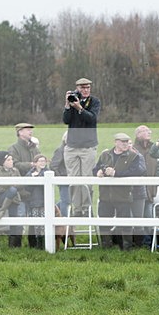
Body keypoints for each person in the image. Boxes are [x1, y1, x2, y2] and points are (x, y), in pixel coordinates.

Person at [94, 133, 146, 250]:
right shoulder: (105, 154)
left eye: (127, 142)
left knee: (125, 224)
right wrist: (98, 172)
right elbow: (96, 168)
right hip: (105, 195)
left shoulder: (133, 156)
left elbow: (136, 171)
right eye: (122, 142)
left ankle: (127, 248)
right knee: (104, 221)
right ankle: (106, 247)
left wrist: (116, 173)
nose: (125, 144)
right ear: (115, 142)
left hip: (123, 196)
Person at [63, 78, 101, 215]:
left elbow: (92, 119)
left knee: (86, 178)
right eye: (82, 88)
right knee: (73, 179)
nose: (85, 90)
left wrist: (79, 108)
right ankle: (77, 208)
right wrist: (67, 105)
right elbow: (66, 120)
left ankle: (86, 208)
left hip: (87, 146)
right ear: (77, 88)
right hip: (72, 145)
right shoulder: (72, 100)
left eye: (87, 88)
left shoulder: (94, 101)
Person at [6, 123, 40, 247]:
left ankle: (34, 245)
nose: (31, 131)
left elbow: (40, 162)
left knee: (34, 217)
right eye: (27, 129)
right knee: (19, 217)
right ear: (20, 132)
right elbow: (14, 165)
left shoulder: (34, 149)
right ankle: (15, 246)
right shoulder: (13, 148)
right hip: (20, 189)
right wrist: (31, 165)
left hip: (34, 190)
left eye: (31, 129)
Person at [0, 152, 23, 248]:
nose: (11, 161)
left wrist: (12, 187)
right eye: (8, 160)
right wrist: (8, 186)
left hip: (14, 199)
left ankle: (13, 245)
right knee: (12, 189)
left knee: (14, 219)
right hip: (2, 198)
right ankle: (3, 209)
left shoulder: (15, 171)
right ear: (2, 162)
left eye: (11, 159)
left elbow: (20, 185)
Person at [25, 154, 49, 249]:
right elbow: (27, 187)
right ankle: (38, 244)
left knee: (44, 225)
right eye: (40, 161)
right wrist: (32, 177)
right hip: (33, 203)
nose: (43, 163)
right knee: (36, 225)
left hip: (44, 202)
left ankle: (45, 244)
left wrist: (38, 177)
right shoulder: (30, 173)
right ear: (35, 163)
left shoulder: (47, 172)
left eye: (44, 161)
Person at [50, 132, 71, 217]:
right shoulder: (60, 150)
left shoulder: (70, 150)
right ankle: (64, 220)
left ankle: (52, 210)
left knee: (67, 200)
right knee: (66, 201)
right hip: (64, 180)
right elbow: (53, 165)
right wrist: (60, 178)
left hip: (69, 179)